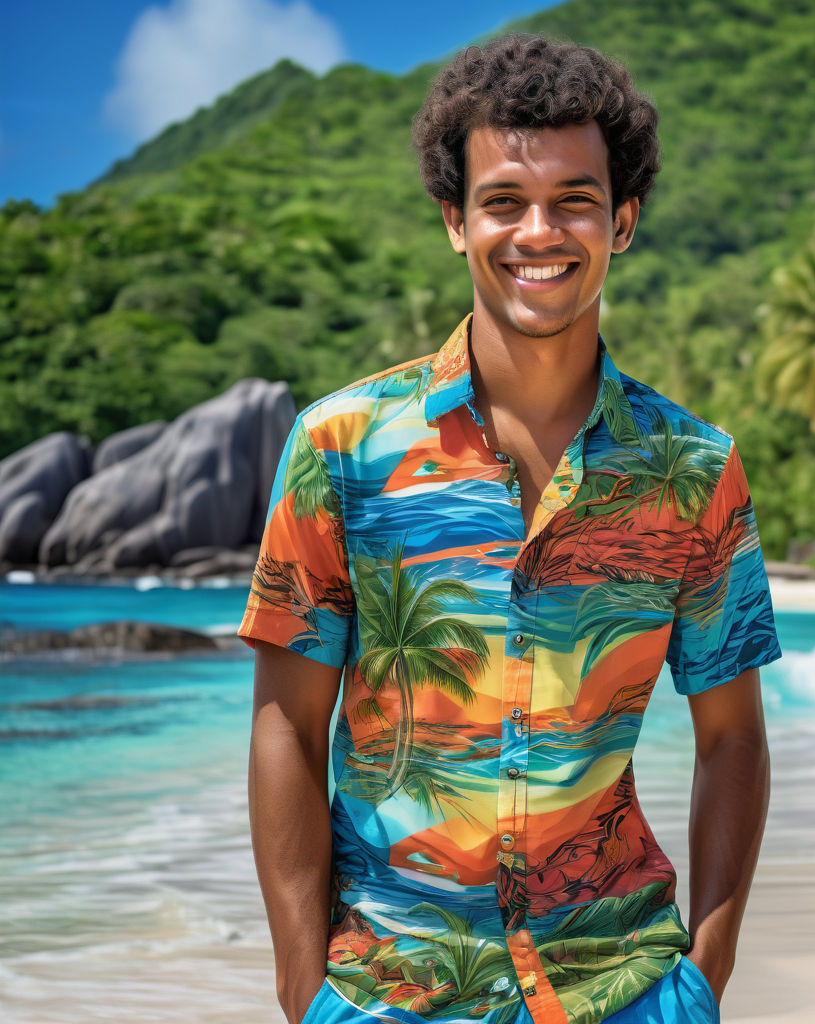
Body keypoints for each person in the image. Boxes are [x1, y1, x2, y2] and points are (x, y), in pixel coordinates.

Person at [240, 34, 781, 1024]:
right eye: (503, 202)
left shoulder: (694, 471)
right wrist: (299, 990)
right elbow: (287, 724)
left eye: (575, 199)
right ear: (455, 222)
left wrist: (707, 965)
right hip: (387, 991)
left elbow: (732, 736)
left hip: (627, 986)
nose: (540, 230)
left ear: (620, 222)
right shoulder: (341, 448)